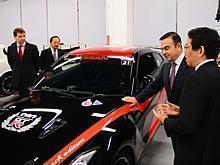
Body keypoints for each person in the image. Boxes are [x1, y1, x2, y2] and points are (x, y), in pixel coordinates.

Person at [154, 27, 220, 165]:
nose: (186, 52)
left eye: (187, 47)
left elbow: (186, 126)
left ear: (200, 50)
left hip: (196, 152)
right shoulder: (215, 73)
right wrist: (181, 110)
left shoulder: (195, 78)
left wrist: (165, 120)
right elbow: (208, 111)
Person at [122, 32, 193, 151]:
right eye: (162, 49)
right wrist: (137, 98)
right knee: (178, 151)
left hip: (188, 121)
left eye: (167, 48)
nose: (164, 52)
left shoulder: (191, 66)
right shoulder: (166, 66)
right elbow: (155, 85)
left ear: (179, 46)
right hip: (171, 120)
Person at [7, 27, 40, 96]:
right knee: (18, 102)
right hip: (17, 81)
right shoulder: (10, 48)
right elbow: (11, 63)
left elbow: (37, 63)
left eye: (24, 36)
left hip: (30, 80)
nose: (23, 38)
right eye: (20, 36)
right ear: (15, 37)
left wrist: (32, 73)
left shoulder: (33, 48)